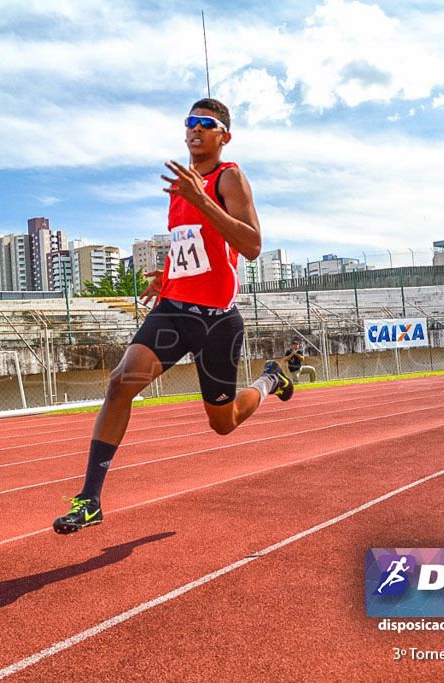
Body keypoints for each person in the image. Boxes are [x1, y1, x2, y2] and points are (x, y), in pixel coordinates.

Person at [53, 98, 294, 534]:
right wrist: (166, 274)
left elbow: (252, 246)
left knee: (223, 424)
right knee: (121, 382)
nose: (196, 129)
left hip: (217, 321)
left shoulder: (229, 177)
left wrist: (203, 200)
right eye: (190, 123)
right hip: (174, 310)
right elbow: (194, 247)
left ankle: (270, 380)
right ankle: (90, 499)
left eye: (207, 124)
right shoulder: (180, 187)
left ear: (224, 135)